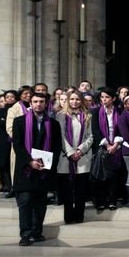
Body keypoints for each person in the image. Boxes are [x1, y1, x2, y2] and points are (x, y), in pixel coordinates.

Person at [11, 93, 60, 246]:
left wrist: (48, 163)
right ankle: (25, 234)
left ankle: (37, 232)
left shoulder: (53, 124)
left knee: (40, 203)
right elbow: (17, 145)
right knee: (25, 202)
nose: (38, 104)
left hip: (44, 170)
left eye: (41, 102)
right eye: (35, 101)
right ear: (30, 103)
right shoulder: (19, 121)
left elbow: (57, 146)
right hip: (25, 169)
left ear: (46, 104)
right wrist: (29, 162)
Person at [57, 91, 94, 223]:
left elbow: (90, 136)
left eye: (77, 99)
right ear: (67, 100)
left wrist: (80, 150)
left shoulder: (87, 116)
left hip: (82, 158)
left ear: (81, 101)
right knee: (66, 191)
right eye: (71, 99)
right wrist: (71, 152)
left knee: (80, 190)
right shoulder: (60, 116)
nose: (74, 102)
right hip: (65, 158)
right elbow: (60, 136)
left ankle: (79, 216)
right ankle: (68, 217)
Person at [91, 88, 123, 210]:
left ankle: (112, 201)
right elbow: (95, 130)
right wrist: (107, 145)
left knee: (114, 175)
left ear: (113, 99)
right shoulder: (95, 112)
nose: (104, 99)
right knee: (100, 175)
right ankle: (100, 201)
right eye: (102, 97)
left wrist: (115, 145)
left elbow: (121, 128)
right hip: (101, 147)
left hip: (116, 146)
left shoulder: (119, 111)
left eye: (107, 97)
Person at [5, 87, 34, 198]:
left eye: (30, 93)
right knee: (19, 167)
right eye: (25, 93)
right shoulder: (14, 109)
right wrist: (23, 140)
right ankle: (18, 188)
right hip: (21, 144)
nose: (28, 95)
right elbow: (10, 128)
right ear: (20, 95)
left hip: (35, 145)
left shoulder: (35, 106)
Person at [0, 90, 18, 193]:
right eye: (7, 97)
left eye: (12, 96)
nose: (10, 98)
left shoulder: (18, 108)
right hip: (4, 140)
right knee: (4, 163)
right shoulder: (0, 111)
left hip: (15, 139)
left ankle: (13, 185)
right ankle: (7, 185)